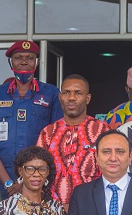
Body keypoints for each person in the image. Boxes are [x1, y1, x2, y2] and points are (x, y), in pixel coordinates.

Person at [0, 40, 62, 196]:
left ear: (36, 62)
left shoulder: (51, 94)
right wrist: (9, 184)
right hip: (1, 183)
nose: (24, 62)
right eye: (18, 57)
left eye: (29, 58)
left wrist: (25, 182)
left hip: (38, 181)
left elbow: (56, 144)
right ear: (10, 62)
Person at [36, 74, 113, 206]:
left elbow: (112, 172)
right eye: (66, 93)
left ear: (87, 99)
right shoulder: (48, 133)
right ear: (60, 98)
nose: (71, 98)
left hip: (92, 208)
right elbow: (38, 172)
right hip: (52, 210)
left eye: (78, 93)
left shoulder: (102, 131)